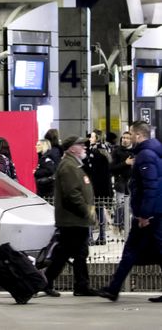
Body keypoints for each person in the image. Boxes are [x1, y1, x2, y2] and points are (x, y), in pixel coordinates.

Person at [99, 122, 162, 302]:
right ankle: (113, 288)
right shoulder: (153, 152)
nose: (129, 137)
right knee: (136, 250)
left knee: (133, 250)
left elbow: (150, 187)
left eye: (131, 134)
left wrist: (145, 215)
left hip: (149, 214)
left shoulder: (146, 155)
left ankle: (113, 289)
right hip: (153, 211)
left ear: (139, 135)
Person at [41, 136, 100, 297]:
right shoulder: (68, 166)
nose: (84, 147)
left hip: (76, 219)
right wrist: (87, 212)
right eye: (80, 145)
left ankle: (80, 285)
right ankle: (47, 281)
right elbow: (72, 195)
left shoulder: (74, 165)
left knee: (76, 253)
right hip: (71, 219)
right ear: (72, 148)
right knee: (67, 253)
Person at [85, 130, 113, 245]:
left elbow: (93, 170)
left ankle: (91, 237)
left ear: (97, 138)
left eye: (92, 137)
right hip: (102, 187)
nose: (90, 139)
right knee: (99, 210)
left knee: (91, 211)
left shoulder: (96, 151)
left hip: (95, 186)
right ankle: (101, 236)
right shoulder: (105, 149)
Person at [110, 130, 135, 228]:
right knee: (120, 205)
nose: (124, 140)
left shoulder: (135, 151)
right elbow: (111, 167)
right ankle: (119, 225)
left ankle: (129, 225)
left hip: (132, 183)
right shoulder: (116, 151)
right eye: (123, 138)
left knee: (131, 206)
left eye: (127, 138)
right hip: (120, 182)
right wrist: (125, 163)